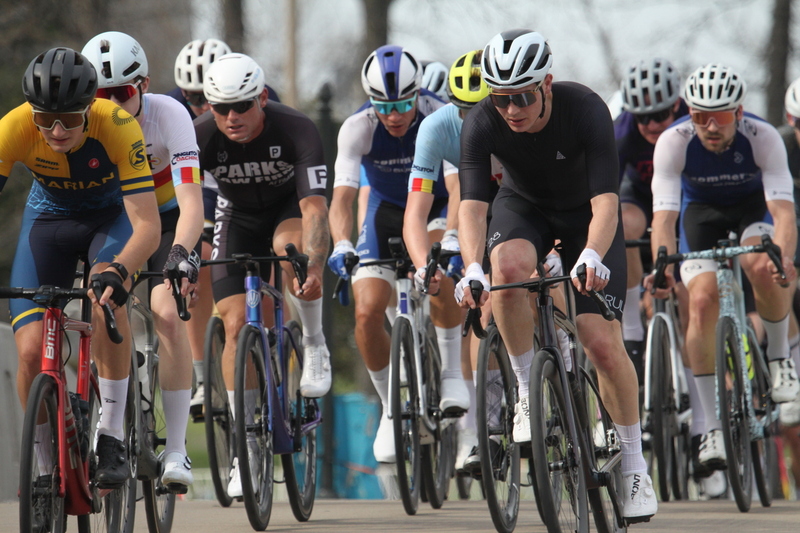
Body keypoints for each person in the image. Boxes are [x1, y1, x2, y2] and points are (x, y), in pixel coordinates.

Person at [456, 29, 657, 521]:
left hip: (586, 215)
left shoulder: (585, 109)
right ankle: (527, 390)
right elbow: (472, 206)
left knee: (600, 341)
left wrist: (590, 253)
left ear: (546, 83)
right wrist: (472, 266)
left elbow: (607, 202)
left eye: (521, 96)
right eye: (500, 98)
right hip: (524, 209)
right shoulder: (483, 121)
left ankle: (633, 462)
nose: (510, 109)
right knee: (505, 273)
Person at [0, 47, 160, 488]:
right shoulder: (12, 128)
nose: (55, 130)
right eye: (44, 119)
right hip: (47, 222)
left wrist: (121, 270)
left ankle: (110, 432)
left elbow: (148, 224)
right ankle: (45, 462)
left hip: (110, 221)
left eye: (69, 120)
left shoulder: (119, 125)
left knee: (106, 294)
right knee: (31, 351)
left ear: (90, 108)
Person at [646, 64, 800, 478]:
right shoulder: (673, 142)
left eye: (721, 116)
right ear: (689, 113)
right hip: (701, 215)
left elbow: (783, 213)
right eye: (699, 116)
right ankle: (711, 428)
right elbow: (664, 217)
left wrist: (783, 256)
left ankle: (781, 358)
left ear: (740, 111)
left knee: (762, 266)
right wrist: (662, 262)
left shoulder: (763, 137)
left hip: (753, 210)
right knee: (700, 299)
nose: (710, 126)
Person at [195, 52, 331, 496]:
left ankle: (313, 340)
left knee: (287, 249)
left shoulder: (296, 128)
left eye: (242, 106)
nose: (231, 117)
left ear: (263, 99)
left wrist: (311, 262)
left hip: (287, 209)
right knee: (235, 326)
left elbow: (314, 209)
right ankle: (244, 447)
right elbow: (180, 201)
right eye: (220, 108)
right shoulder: (199, 137)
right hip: (237, 217)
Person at [82, 31, 203, 491]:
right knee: (104, 303)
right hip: (120, 222)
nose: (110, 103)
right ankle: (110, 422)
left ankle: (176, 448)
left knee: (168, 314)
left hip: (169, 220)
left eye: (121, 93)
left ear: (144, 86)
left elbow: (192, 201)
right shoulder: (84, 123)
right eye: (99, 94)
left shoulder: (170, 115)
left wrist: (181, 254)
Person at [327, 45, 452, 463]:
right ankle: (390, 409)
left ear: (418, 94)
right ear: (371, 101)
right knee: (366, 312)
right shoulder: (357, 127)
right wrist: (342, 243)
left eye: (403, 104)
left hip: (436, 206)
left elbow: (461, 191)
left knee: (441, 274)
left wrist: (453, 239)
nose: (395, 115)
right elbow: (342, 199)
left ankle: (450, 371)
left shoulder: (439, 114)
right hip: (384, 212)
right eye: (385, 105)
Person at [167, 38, 281, 417]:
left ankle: (277, 343)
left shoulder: (258, 100)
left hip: (249, 187)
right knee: (196, 256)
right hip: (198, 189)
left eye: (208, 97)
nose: (201, 107)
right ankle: (202, 375)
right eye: (193, 97)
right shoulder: (174, 110)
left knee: (275, 263)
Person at [403, 49, 490, 473]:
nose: (471, 118)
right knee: (474, 299)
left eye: (481, 108)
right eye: (462, 109)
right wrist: (424, 265)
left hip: (514, 202)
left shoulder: (515, 121)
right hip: (473, 206)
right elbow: (415, 214)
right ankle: (477, 433)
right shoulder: (436, 127)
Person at [616, 58, 688, 379]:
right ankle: (632, 328)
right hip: (641, 197)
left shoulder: (693, 121)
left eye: (660, 115)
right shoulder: (621, 133)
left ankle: (689, 363)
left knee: (689, 292)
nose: (653, 125)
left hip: (685, 200)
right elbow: (603, 194)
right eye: (643, 118)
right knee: (620, 220)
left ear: (677, 105)